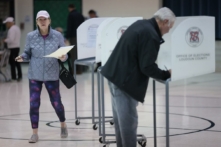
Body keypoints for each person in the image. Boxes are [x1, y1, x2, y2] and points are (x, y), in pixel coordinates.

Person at [101, 7, 175, 147]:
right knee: (128, 124)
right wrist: (166, 74)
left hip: (115, 75)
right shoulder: (151, 34)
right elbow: (147, 66)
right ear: (164, 21)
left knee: (121, 123)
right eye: (169, 27)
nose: (168, 30)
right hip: (125, 82)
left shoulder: (142, 24)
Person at [15, 10, 68, 143]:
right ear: (37, 22)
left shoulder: (57, 35)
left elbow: (64, 53)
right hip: (35, 75)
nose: (43, 21)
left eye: (45, 19)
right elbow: (27, 52)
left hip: (52, 74)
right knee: (34, 104)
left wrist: (63, 57)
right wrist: (22, 57)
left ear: (49, 21)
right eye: (40, 19)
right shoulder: (31, 36)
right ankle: (34, 133)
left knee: (56, 103)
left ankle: (63, 124)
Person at [66, 4, 84, 74]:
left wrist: (67, 36)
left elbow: (70, 26)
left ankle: (74, 70)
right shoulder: (80, 15)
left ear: (69, 8)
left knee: (73, 54)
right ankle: (80, 70)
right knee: (79, 54)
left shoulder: (71, 15)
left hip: (73, 37)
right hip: (80, 37)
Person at [3, 17, 22, 81]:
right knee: (17, 62)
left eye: (6, 23)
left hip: (12, 48)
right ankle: (20, 75)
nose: (6, 25)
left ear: (9, 23)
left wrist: (4, 40)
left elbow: (11, 39)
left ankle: (14, 77)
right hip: (17, 47)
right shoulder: (17, 28)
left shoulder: (11, 29)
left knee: (12, 62)